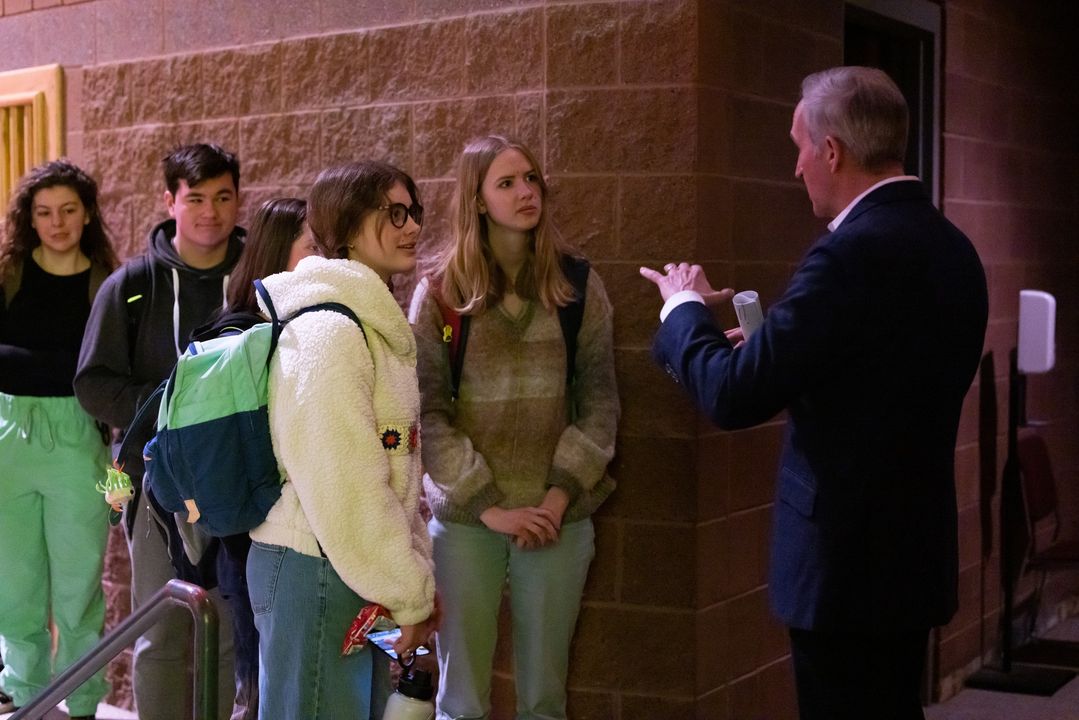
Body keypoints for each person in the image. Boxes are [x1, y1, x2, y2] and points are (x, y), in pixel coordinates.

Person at [640, 66, 988, 720]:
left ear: (831, 151)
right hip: (910, 555)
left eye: (799, 147)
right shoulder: (952, 249)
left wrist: (680, 309)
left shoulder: (847, 255)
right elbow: (877, 369)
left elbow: (734, 397)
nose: (796, 167)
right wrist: (778, 349)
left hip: (842, 568)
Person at [409, 135, 619, 720]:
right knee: (462, 697)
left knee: (544, 696)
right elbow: (428, 413)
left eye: (531, 179)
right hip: (469, 517)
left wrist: (555, 499)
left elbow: (600, 405)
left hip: (559, 515)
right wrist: (489, 505)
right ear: (476, 201)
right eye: (507, 183)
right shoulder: (442, 294)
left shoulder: (576, 286)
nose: (526, 192)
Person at [246, 161, 436, 720]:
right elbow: (345, 488)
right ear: (348, 226)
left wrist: (410, 578)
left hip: (356, 567)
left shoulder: (369, 324)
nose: (413, 228)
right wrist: (411, 592)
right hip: (317, 567)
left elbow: (393, 471)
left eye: (414, 212)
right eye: (394, 214)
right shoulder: (329, 330)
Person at [74, 143, 246, 720]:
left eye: (224, 197)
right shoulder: (131, 285)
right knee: (161, 630)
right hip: (153, 484)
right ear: (169, 201)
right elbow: (93, 383)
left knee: (228, 630)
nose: (211, 212)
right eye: (195, 198)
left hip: (239, 483)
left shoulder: (258, 278)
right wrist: (169, 407)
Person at [190, 197, 317, 720]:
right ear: (276, 252)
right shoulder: (240, 334)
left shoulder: (309, 323)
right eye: (313, 248)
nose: (325, 261)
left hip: (288, 533)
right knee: (261, 682)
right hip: (252, 536)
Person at [0, 160, 118, 720]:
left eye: (69, 209)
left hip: (79, 440)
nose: (57, 222)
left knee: (78, 590)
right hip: (8, 440)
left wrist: (26, 364)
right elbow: (75, 366)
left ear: (87, 213)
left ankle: (86, 703)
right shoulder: (8, 275)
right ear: (30, 219)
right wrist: (60, 367)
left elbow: (104, 370)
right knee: (13, 589)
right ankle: (24, 700)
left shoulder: (107, 283)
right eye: (45, 212)